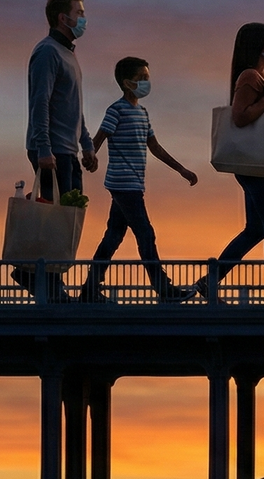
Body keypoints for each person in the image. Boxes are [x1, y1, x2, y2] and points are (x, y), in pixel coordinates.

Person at [80, 58, 198, 303]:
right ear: (127, 82)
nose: (147, 82)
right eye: (142, 77)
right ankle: (164, 289)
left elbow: (154, 146)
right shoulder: (117, 110)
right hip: (122, 184)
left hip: (134, 184)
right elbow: (100, 136)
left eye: (148, 77)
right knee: (146, 233)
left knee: (113, 235)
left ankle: (89, 289)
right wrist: (90, 156)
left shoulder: (142, 113)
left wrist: (181, 169)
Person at [201, 23, 264, 302]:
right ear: (257, 44)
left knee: (256, 229)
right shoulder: (249, 77)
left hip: (261, 166)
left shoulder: (258, 77)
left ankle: (209, 281)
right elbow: (240, 116)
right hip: (256, 170)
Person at [16, 0, 98, 301]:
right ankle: (41, 280)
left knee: (66, 220)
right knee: (54, 221)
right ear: (64, 18)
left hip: (68, 149)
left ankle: (39, 276)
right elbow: (40, 103)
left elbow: (73, 107)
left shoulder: (69, 55)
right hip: (51, 150)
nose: (83, 18)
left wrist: (87, 144)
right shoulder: (47, 52)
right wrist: (43, 148)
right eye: (79, 12)